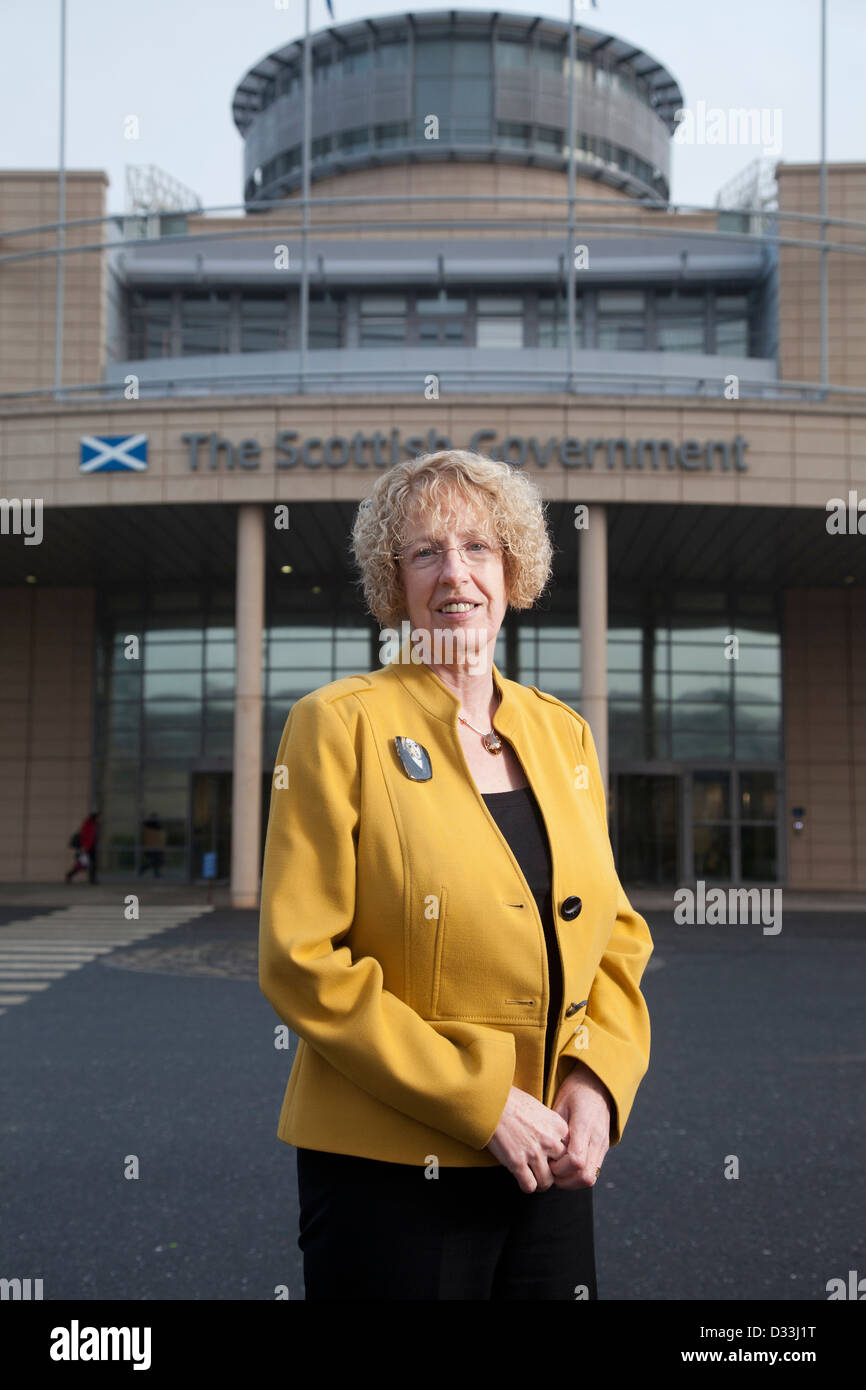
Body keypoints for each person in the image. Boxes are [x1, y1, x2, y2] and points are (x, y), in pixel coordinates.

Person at [258, 450, 653, 1301]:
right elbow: (302, 958)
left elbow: (615, 936)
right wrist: (481, 1103)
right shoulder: (335, 725)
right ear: (391, 581)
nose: (455, 574)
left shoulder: (564, 733)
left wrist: (597, 1080)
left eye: (479, 547)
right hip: (389, 1169)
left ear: (514, 569)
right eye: (425, 552)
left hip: (547, 1158)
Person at [65, 811, 99, 884]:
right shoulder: (88, 824)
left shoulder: (93, 824)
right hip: (87, 848)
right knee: (82, 864)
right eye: (98, 818)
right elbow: (85, 836)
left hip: (90, 847)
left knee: (90, 864)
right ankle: (69, 875)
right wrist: (84, 847)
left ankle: (92, 879)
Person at [138, 812, 166, 877]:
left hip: (155, 846)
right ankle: (144, 869)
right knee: (158, 860)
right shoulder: (150, 826)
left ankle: (145, 869)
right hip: (152, 846)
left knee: (158, 860)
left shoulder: (154, 826)